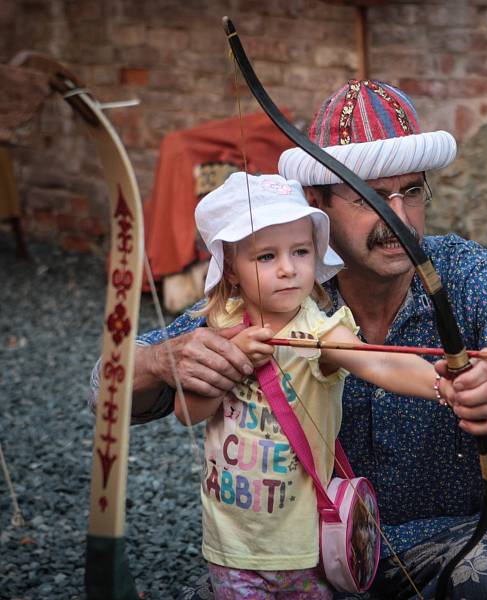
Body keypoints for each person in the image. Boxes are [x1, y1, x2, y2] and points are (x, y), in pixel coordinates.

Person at [90, 80, 487, 599]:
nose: (399, 217)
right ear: (317, 203)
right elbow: (106, 386)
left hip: (465, 536)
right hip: (313, 553)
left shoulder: (468, 273)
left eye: (411, 191)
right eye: (371, 197)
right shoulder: (285, 283)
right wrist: (162, 362)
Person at [179, 171, 457, 599]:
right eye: (266, 257)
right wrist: (231, 362)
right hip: (231, 545)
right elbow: (189, 412)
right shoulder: (218, 327)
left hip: (304, 547)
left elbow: (379, 363)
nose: (289, 268)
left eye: (301, 251)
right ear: (231, 270)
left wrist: (446, 383)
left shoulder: (318, 331)